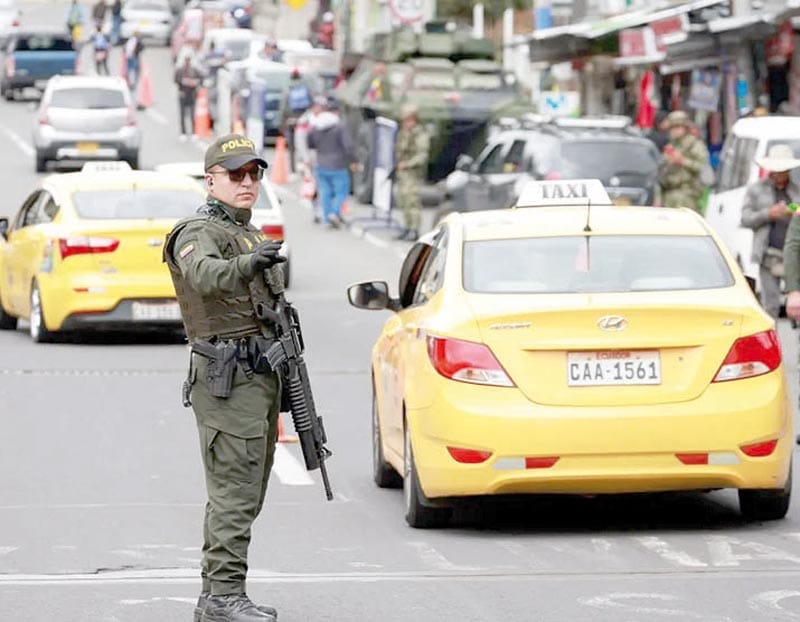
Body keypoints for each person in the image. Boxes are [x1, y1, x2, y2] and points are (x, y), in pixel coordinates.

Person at [164, 134, 286, 622]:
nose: (248, 182)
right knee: (234, 491)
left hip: (258, 374)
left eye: (254, 173)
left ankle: (217, 593)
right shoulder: (197, 232)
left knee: (248, 490)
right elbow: (207, 277)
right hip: (226, 375)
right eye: (236, 174)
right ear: (211, 179)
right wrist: (246, 264)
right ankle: (223, 597)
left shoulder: (249, 232)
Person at [742, 144, 800, 319]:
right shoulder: (756, 190)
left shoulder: (796, 190)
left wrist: (792, 210)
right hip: (768, 254)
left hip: (794, 255)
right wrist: (768, 213)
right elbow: (745, 218)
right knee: (770, 305)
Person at [307, 100, 354, 228]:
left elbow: (310, 142)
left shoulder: (317, 125)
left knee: (325, 191)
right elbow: (347, 145)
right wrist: (354, 160)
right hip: (338, 164)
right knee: (341, 191)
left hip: (321, 162)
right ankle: (334, 212)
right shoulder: (339, 126)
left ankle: (327, 217)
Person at [656, 110, 709, 211]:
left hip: (687, 194)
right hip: (669, 196)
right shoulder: (670, 146)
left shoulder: (694, 144)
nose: (675, 131)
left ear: (685, 128)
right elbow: (661, 175)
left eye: (678, 127)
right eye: (673, 128)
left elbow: (703, 168)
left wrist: (683, 161)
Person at [394, 104, 430, 241]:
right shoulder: (404, 133)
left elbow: (422, 156)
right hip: (403, 172)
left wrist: (408, 164)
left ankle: (414, 229)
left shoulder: (420, 135)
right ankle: (407, 227)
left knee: (412, 201)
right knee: (403, 200)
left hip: (412, 173)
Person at [281, 69, 312, 171]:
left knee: (292, 147)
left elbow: (283, 107)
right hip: (303, 120)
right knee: (303, 145)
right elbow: (311, 104)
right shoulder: (305, 88)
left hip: (291, 120)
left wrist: (281, 122)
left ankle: (293, 169)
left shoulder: (288, 89)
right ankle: (304, 167)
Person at [175, 55, 201, 140]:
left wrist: (195, 82)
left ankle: (193, 132)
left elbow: (200, 78)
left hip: (192, 94)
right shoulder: (180, 71)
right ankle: (183, 132)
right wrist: (184, 82)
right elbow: (176, 80)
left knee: (192, 114)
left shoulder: (194, 70)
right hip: (183, 93)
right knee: (182, 114)